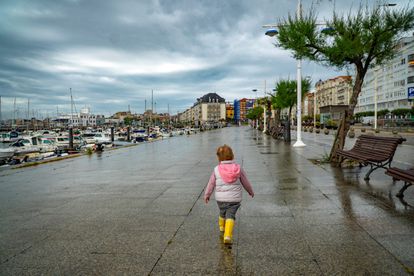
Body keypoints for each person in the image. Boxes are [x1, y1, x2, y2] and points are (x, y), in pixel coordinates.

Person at [204, 144, 254, 244]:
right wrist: (250, 191)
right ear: (232, 155)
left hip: (221, 199)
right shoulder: (238, 168)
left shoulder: (216, 169)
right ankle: (227, 235)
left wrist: (207, 194)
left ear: (219, 157)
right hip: (234, 199)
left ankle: (222, 227)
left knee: (222, 212)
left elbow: (211, 183)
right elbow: (245, 182)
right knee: (230, 215)